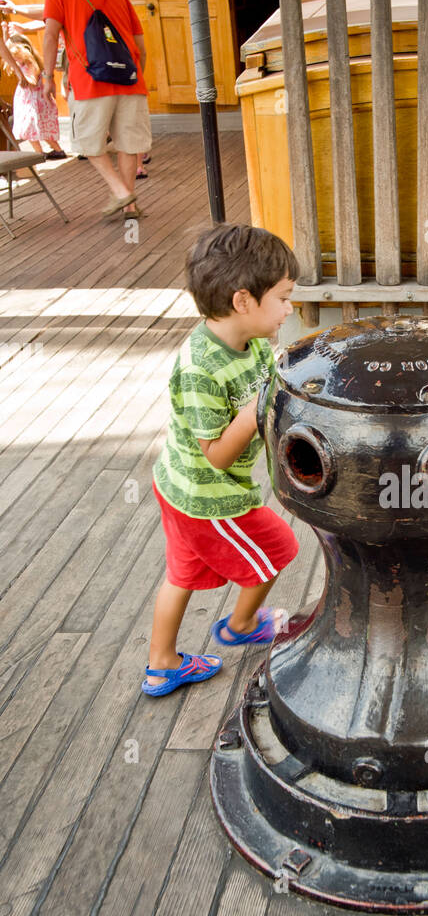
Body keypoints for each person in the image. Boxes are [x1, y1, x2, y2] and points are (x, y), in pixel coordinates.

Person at [143, 223, 301, 696]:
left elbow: (272, 382)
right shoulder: (201, 368)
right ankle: (241, 624)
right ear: (243, 301)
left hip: (179, 488)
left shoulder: (249, 344)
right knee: (278, 549)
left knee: (182, 574)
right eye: (284, 297)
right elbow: (216, 455)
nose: (290, 309)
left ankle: (161, 664)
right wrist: (258, 412)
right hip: (207, 494)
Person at [40, 0, 151, 218]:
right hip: (129, 80)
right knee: (128, 144)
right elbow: (141, 48)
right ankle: (130, 207)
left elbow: (50, 35)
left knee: (86, 143)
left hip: (90, 80)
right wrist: (133, 76)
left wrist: (47, 77)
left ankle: (122, 193)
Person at [0, 32, 66, 158]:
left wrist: (23, 79)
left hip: (32, 104)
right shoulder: (24, 63)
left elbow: (33, 82)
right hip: (31, 103)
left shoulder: (29, 64)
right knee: (37, 130)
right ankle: (55, 150)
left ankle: (40, 153)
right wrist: (5, 31)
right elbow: (4, 47)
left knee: (30, 130)